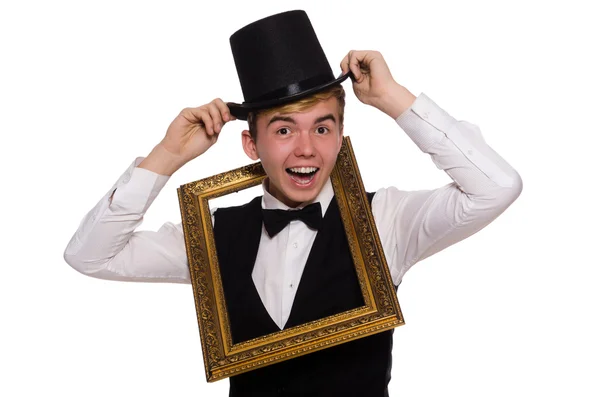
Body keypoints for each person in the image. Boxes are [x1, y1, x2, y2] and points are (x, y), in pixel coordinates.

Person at [64, 10, 522, 397]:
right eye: (284, 130)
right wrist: (166, 157)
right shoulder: (212, 238)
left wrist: (392, 98)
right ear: (251, 144)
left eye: (322, 128)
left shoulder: (387, 220)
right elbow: (89, 256)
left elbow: (496, 187)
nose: (306, 148)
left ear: (340, 139)